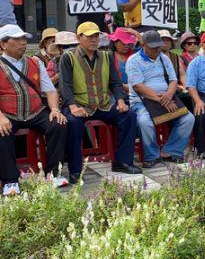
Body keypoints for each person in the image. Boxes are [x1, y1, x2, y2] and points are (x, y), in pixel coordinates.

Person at [60, 22, 141, 182]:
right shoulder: (68, 57)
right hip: (79, 105)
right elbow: (65, 86)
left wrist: (120, 100)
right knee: (72, 123)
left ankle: (123, 162)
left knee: (129, 115)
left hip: (103, 105)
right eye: (89, 36)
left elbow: (115, 82)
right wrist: (73, 106)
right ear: (79, 38)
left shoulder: (106, 56)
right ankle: (76, 171)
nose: (94, 40)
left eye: (96, 36)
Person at [0, 24, 68, 195]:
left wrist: (54, 109)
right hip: (8, 114)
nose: (23, 43)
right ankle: (10, 180)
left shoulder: (34, 63)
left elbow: (50, 90)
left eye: (24, 39)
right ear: (3, 44)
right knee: (1, 132)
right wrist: (0, 117)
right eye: (17, 39)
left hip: (35, 112)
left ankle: (53, 174)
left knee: (58, 124)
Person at [126, 31, 194, 167]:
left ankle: (170, 151)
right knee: (145, 122)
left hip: (166, 97)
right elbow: (139, 87)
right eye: (153, 47)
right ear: (143, 45)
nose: (157, 50)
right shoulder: (133, 60)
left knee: (188, 118)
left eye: (158, 47)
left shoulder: (163, 58)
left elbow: (174, 80)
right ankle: (152, 155)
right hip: (142, 101)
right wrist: (163, 100)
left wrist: (168, 96)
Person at [109, 28, 138, 95]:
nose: (126, 46)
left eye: (128, 44)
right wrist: (123, 86)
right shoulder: (109, 56)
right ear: (115, 43)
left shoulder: (134, 55)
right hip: (116, 94)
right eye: (123, 43)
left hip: (135, 92)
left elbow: (147, 48)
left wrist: (136, 33)